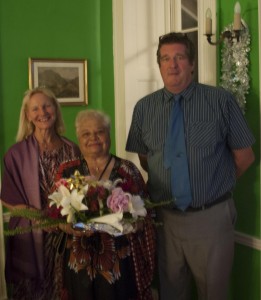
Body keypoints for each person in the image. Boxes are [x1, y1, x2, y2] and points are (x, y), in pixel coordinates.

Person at [126, 32, 255, 300]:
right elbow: (145, 158)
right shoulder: (143, 108)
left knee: (214, 294)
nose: (173, 65)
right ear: (159, 65)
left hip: (211, 217)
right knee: (171, 293)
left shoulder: (221, 101)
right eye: (165, 58)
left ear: (192, 63)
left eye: (180, 57)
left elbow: (245, 157)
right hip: (165, 221)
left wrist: (213, 185)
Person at [56, 109, 156, 300]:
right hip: (78, 264)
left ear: (108, 134)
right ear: (78, 137)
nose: (93, 138)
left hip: (120, 263)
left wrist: (131, 224)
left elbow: (147, 216)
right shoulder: (69, 171)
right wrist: (69, 227)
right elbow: (54, 217)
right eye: (86, 133)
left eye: (99, 132)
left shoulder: (126, 171)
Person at [0, 87, 80, 300]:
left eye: (47, 105)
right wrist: (45, 220)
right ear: (27, 115)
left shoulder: (72, 150)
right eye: (35, 108)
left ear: (55, 109)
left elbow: (81, 195)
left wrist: (65, 221)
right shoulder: (15, 155)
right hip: (32, 238)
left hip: (66, 237)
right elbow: (10, 200)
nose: (42, 112)